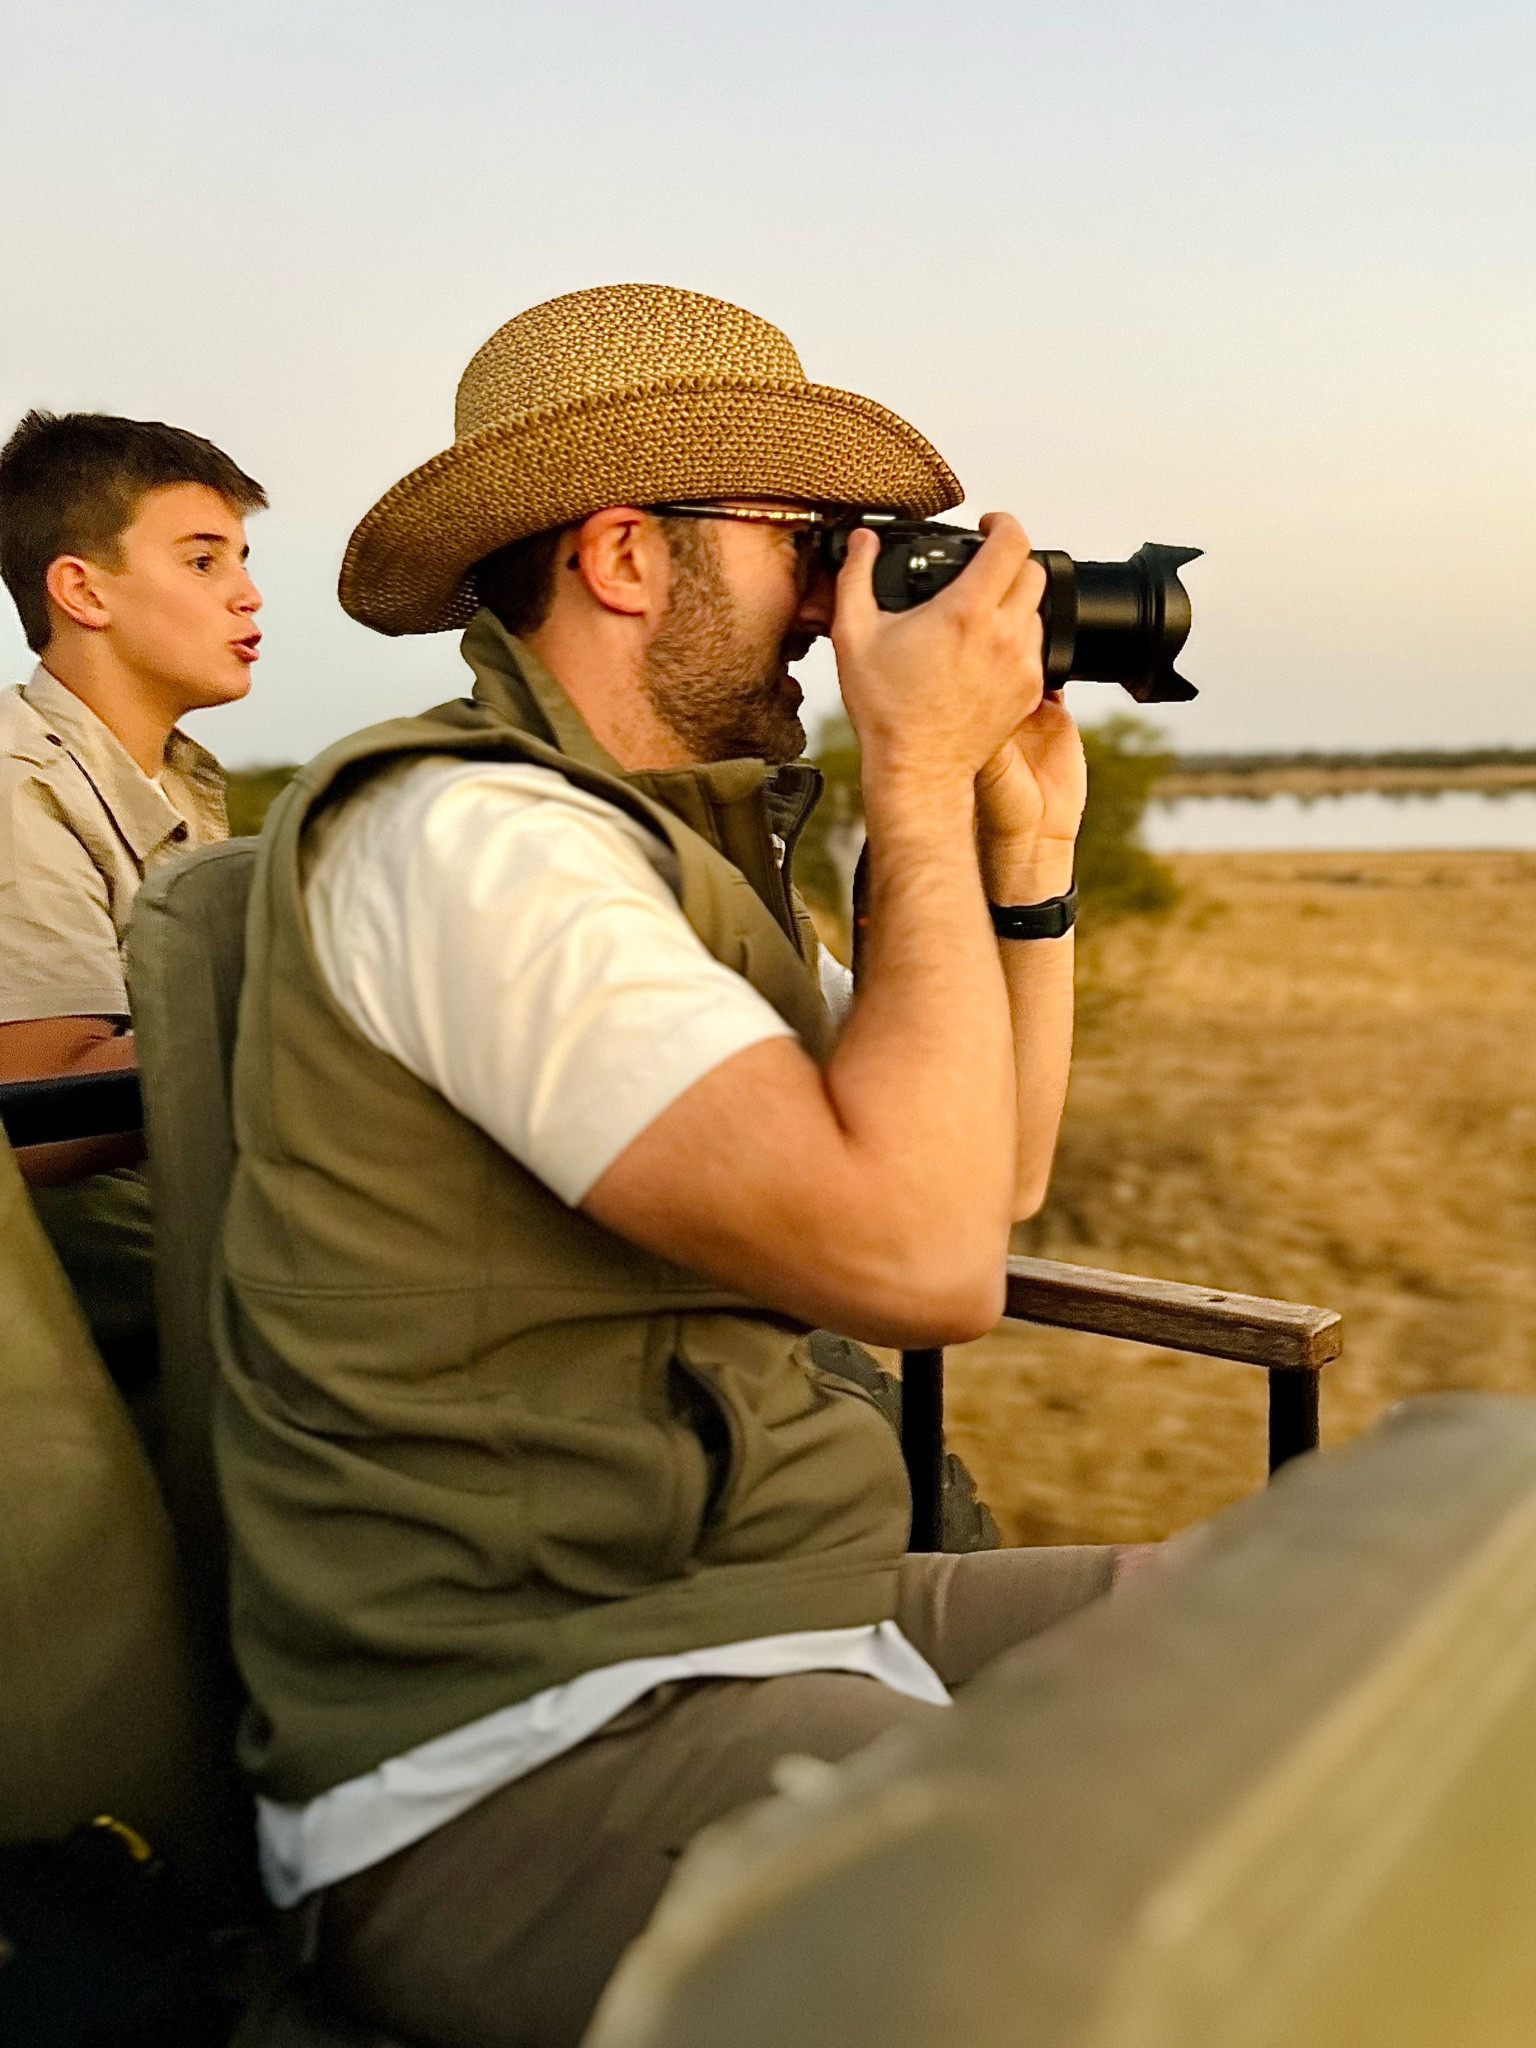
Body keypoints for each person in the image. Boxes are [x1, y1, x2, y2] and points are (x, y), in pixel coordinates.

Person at [216, 284, 1104, 2048]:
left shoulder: (665, 876)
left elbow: (985, 1178)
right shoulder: (467, 841)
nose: (847, 598)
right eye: (813, 545)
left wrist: (1025, 864)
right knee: (1102, 1915)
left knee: (1318, 1639)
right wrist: (908, 781)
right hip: (524, 1724)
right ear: (627, 555)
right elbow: (926, 1273)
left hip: (762, 1601)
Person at [0, 411, 265, 1390]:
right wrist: (313, 992)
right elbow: (41, 1103)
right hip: (101, 1362)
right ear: (80, 589)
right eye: (203, 561)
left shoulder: (184, 785)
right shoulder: (18, 781)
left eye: (241, 556)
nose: (247, 592)